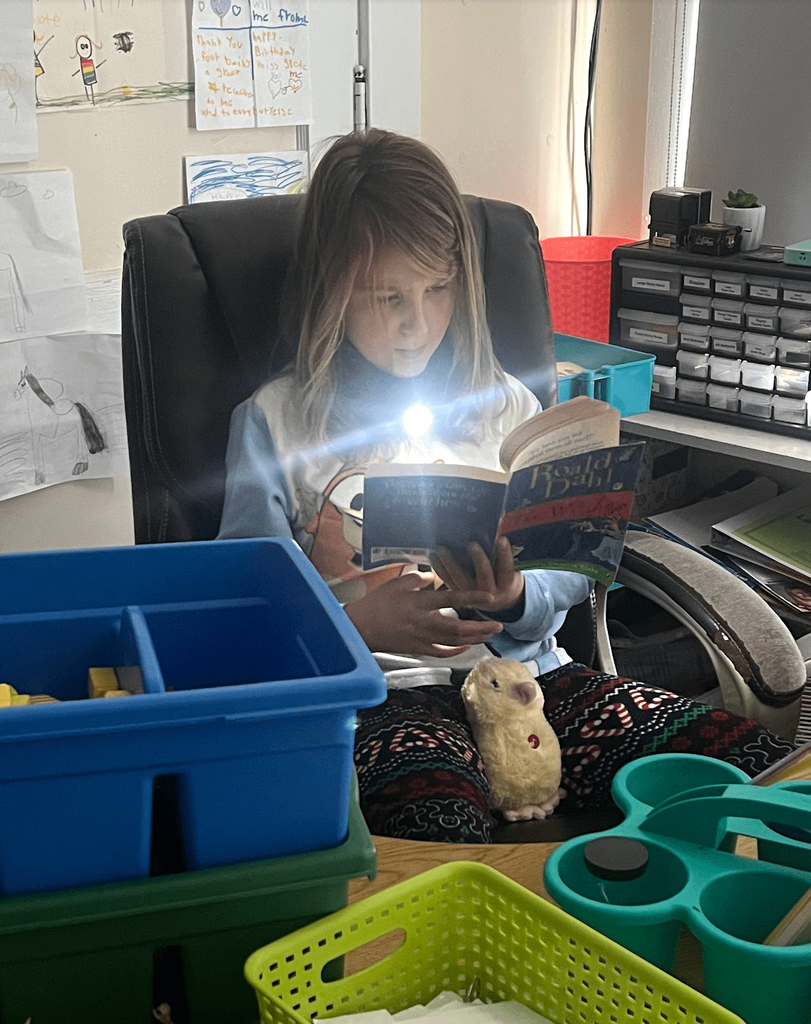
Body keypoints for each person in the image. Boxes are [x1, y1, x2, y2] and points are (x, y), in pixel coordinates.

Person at [218, 128, 796, 842]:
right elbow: (242, 613)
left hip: (534, 683)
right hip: (382, 695)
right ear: (327, 292)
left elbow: (562, 573)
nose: (415, 324)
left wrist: (515, 594)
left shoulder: (505, 407)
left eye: (435, 291)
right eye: (384, 297)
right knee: (440, 836)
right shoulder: (274, 424)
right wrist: (356, 627)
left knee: (752, 777)